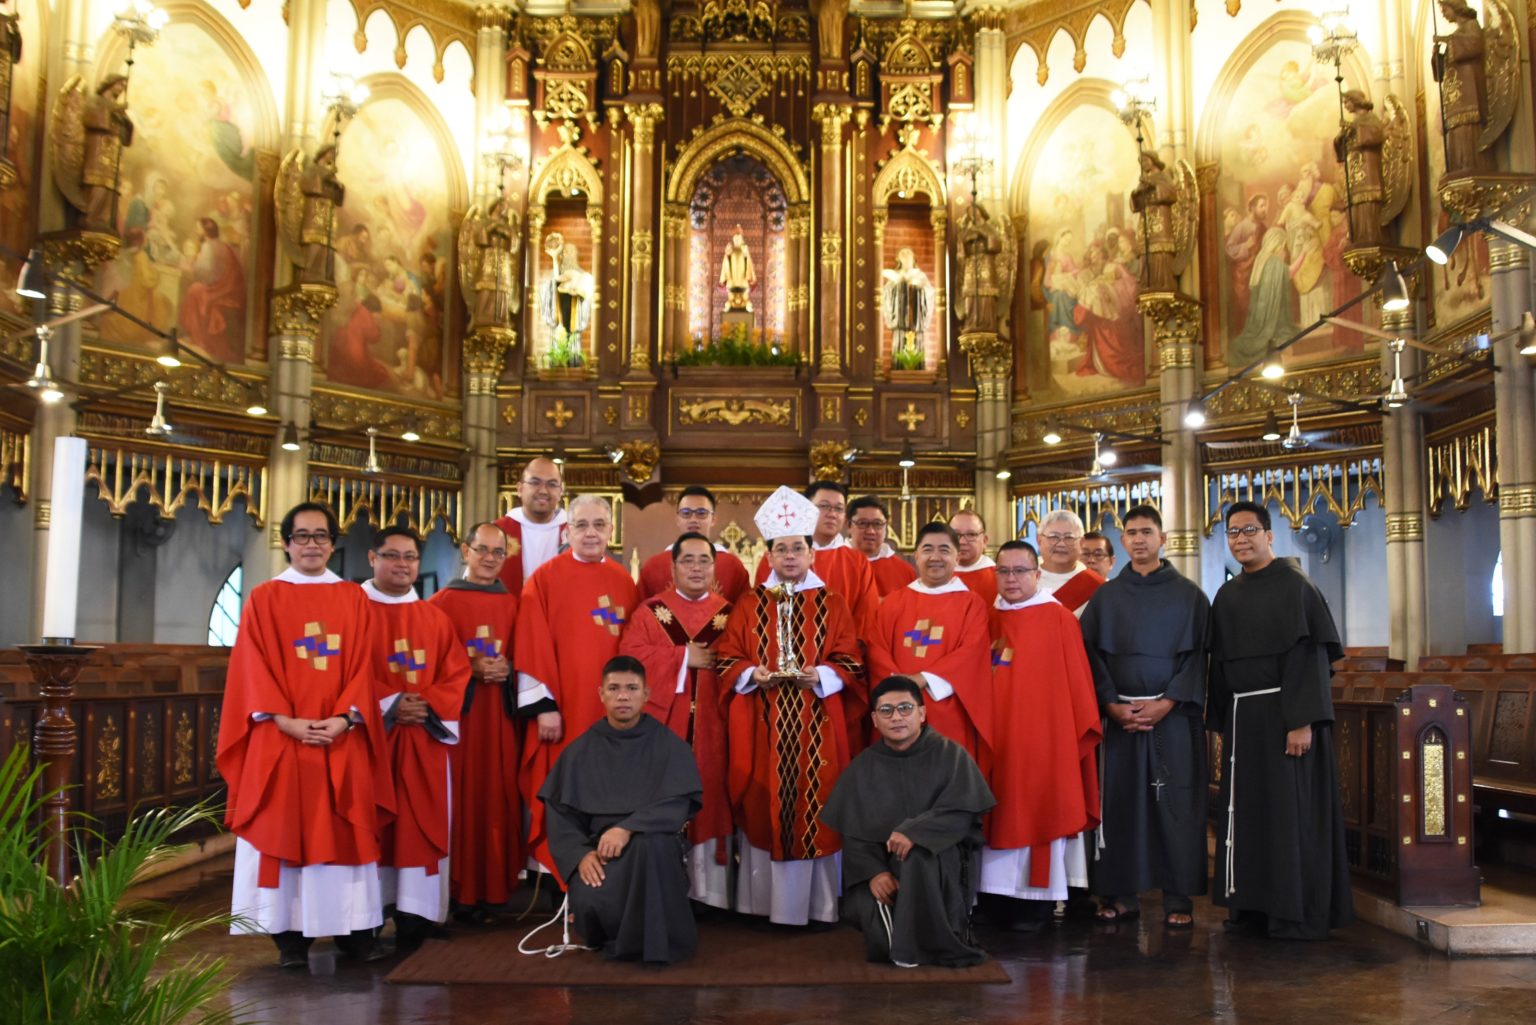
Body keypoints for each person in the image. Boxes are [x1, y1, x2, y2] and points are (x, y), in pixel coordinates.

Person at [218, 502, 390, 968]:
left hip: (340, 735)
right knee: (283, 827)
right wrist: (283, 720)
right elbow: (251, 667)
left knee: (347, 829)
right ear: (286, 541)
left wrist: (345, 717)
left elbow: (363, 668)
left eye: (320, 536)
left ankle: (354, 931)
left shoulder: (354, 598)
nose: (311, 544)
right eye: (301, 536)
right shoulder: (264, 597)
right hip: (282, 739)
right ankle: (288, 936)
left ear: (333, 543)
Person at [716, 486, 864, 926]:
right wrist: (751, 673)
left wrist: (821, 675)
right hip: (764, 722)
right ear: (769, 556)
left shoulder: (833, 603)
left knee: (817, 805)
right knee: (765, 801)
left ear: (811, 554)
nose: (791, 556)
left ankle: (816, 908)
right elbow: (727, 655)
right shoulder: (748, 604)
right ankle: (765, 906)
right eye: (781, 549)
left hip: (816, 717)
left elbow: (851, 657)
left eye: (798, 548)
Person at [1209, 501, 1353, 939]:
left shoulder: (1295, 587)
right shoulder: (1227, 594)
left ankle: (1292, 913)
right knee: (1246, 813)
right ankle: (1249, 906)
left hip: (1286, 720)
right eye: (1233, 533)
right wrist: (1219, 721)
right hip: (1243, 720)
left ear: (1270, 536)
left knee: (1288, 815)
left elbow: (1307, 657)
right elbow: (1218, 663)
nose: (1241, 539)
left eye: (1250, 530)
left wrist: (1302, 721)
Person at [1079, 506, 1210, 928]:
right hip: (1120, 719)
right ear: (1124, 540)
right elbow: (1091, 658)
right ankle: (1120, 895)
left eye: (1146, 532)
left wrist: (1168, 701)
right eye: (1131, 533)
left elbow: (1198, 656)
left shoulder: (1189, 595)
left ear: (1163, 538)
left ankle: (1177, 899)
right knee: (1121, 806)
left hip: (1170, 719)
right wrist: (1111, 705)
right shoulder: (1106, 596)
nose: (1138, 539)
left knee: (1174, 804)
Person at [821, 676, 996, 968]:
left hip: (938, 863)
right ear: (875, 720)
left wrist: (915, 833)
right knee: (881, 946)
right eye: (887, 711)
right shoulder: (863, 766)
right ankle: (906, 942)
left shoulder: (951, 755)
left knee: (916, 856)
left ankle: (926, 943)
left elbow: (962, 814)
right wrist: (874, 873)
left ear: (922, 713)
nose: (897, 717)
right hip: (881, 865)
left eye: (905, 708)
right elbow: (854, 832)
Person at [539, 656, 703, 965]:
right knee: (591, 899)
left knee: (650, 844)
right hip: (598, 853)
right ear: (601, 694)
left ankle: (655, 946)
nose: (623, 696)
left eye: (631, 688)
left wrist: (627, 828)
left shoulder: (669, 746)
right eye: (614, 688)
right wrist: (579, 854)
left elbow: (679, 803)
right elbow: (560, 815)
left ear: (646, 694)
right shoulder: (579, 751)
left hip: (653, 849)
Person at [515, 494, 639, 874]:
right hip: (565, 710)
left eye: (599, 525)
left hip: (611, 713)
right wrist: (544, 707)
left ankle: (606, 875)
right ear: (567, 531)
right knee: (565, 791)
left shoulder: (623, 580)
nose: (590, 533)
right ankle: (562, 877)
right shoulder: (544, 579)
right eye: (581, 525)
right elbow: (531, 644)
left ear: (611, 531)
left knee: (611, 790)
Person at [981, 541, 1101, 932]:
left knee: (1038, 806)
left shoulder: (1058, 619)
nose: (1011, 579)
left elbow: (1077, 689)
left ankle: (1034, 905)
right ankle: (990, 899)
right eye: (1004, 571)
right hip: (994, 740)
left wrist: (1062, 741)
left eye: (1020, 571)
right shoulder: (985, 618)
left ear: (1037, 574)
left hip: (1043, 743)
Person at [362, 527, 470, 951]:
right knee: (370, 826)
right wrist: (388, 703)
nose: (402, 565)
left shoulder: (435, 618)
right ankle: (364, 922)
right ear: (372, 558)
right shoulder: (351, 611)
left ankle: (414, 916)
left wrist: (422, 705)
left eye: (409, 557)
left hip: (423, 740)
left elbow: (456, 674)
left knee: (418, 825)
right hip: (371, 742)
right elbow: (340, 674)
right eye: (392, 555)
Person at [619, 532, 735, 910]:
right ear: (673, 567)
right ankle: (665, 892)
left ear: (715, 568)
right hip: (666, 728)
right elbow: (631, 658)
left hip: (715, 731)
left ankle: (708, 896)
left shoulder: (731, 614)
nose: (697, 568)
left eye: (705, 561)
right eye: (689, 560)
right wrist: (684, 658)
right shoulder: (651, 612)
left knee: (711, 794)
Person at [427, 522, 523, 922]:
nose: (489, 559)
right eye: (481, 549)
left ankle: (496, 892)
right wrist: (471, 669)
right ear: (465, 550)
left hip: (501, 720)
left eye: (497, 552)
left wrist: (510, 668)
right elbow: (426, 665)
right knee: (462, 803)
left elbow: (530, 657)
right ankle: (460, 893)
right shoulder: (439, 605)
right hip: (460, 725)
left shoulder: (515, 605)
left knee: (497, 799)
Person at [867, 522, 993, 765]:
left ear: (957, 556)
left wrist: (923, 679)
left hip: (948, 709)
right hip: (897, 710)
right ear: (916, 556)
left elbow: (972, 653)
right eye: (927, 549)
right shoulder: (894, 602)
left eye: (944, 550)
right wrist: (901, 689)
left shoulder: (971, 604)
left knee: (946, 775)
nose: (935, 557)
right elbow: (876, 649)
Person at [752, 480, 880, 637]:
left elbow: (866, 617)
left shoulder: (858, 562)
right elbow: (762, 608)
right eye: (824, 506)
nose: (832, 514)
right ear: (806, 510)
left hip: (841, 653)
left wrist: (844, 652)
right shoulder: (777, 557)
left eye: (839, 509)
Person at [637, 486, 750, 603]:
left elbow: (746, 611)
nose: (693, 519)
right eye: (686, 513)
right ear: (677, 519)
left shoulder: (732, 566)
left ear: (713, 519)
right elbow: (641, 613)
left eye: (701, 513)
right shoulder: (654, 566)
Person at [493, 456, 569, 594]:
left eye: (552, 484)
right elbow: (476, 582)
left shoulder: (574, 533)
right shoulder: (496, 532)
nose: (543, 491)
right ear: (520, 489)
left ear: (560, 492)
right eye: (535, 482)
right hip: (510, 613)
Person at [1035, 509, 1105, 617]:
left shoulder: (1096, 586)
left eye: (1069, 538)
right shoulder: (1019, 576)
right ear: (1039, 540)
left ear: (1081, 542)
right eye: (1054, 537)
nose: (1061, 544)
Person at [848, 495, 917, 597]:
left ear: (886, 528)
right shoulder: (834, 563)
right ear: (848, 525)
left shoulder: (905, 571)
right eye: (862, 523)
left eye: (877, 524)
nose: (870, 531)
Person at [950, 509, 997, 607]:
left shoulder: (999, 577)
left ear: (984, 541)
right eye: (956, 535)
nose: (962, 541)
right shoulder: (936, 575)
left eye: (971, 534)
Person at [719, 226, 756, 311]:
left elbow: (749, 263)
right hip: (733, 277)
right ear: (733, 239)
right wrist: (727, 254)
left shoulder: (744, 250)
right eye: (736, 239)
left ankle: (746, 303)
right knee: (731, 288)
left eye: (739, 239)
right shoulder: (731, 250)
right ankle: (730, 302)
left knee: (744, 287)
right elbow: (726, 263)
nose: (737, 240)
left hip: (742, 276)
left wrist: (746, 254)